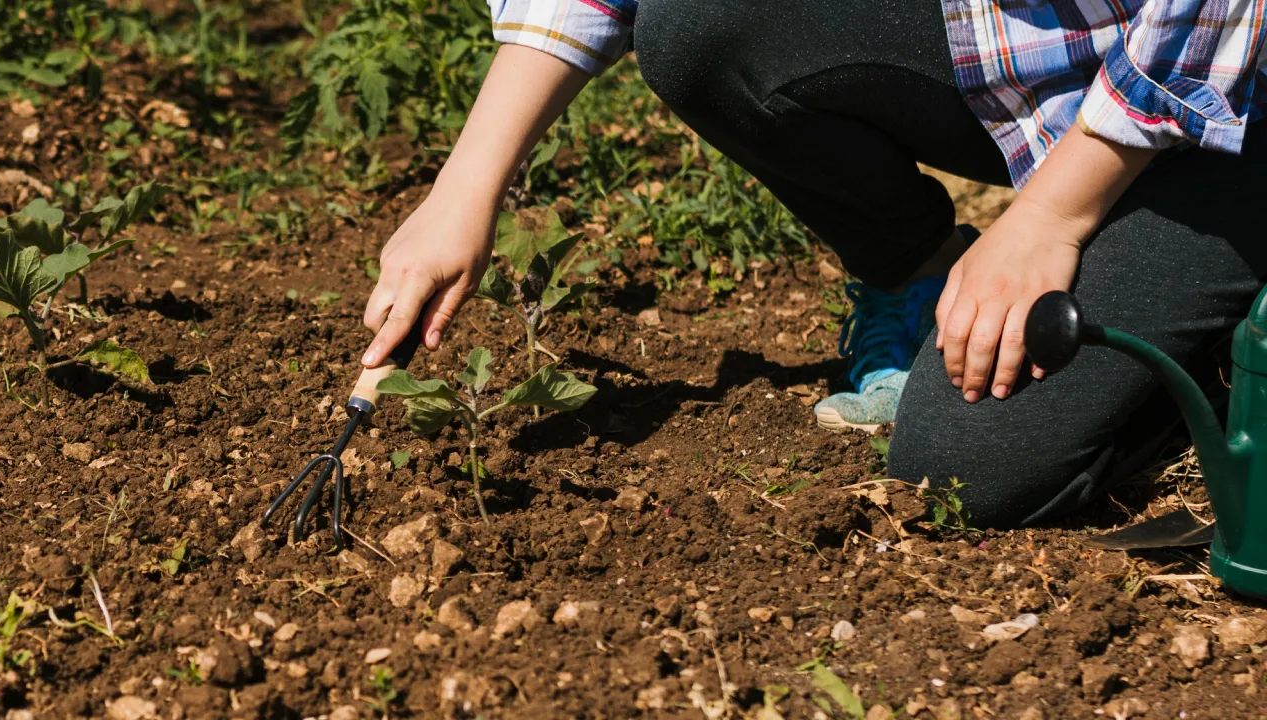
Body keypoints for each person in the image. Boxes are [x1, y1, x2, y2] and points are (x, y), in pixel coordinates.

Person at [360, 0, 1267, 528]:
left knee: (966, 470)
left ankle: (1215, 342)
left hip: (1230, 103)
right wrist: (465, 189)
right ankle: (921, 275)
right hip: (1048, 58)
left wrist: (1051, 217)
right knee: (700, 23)